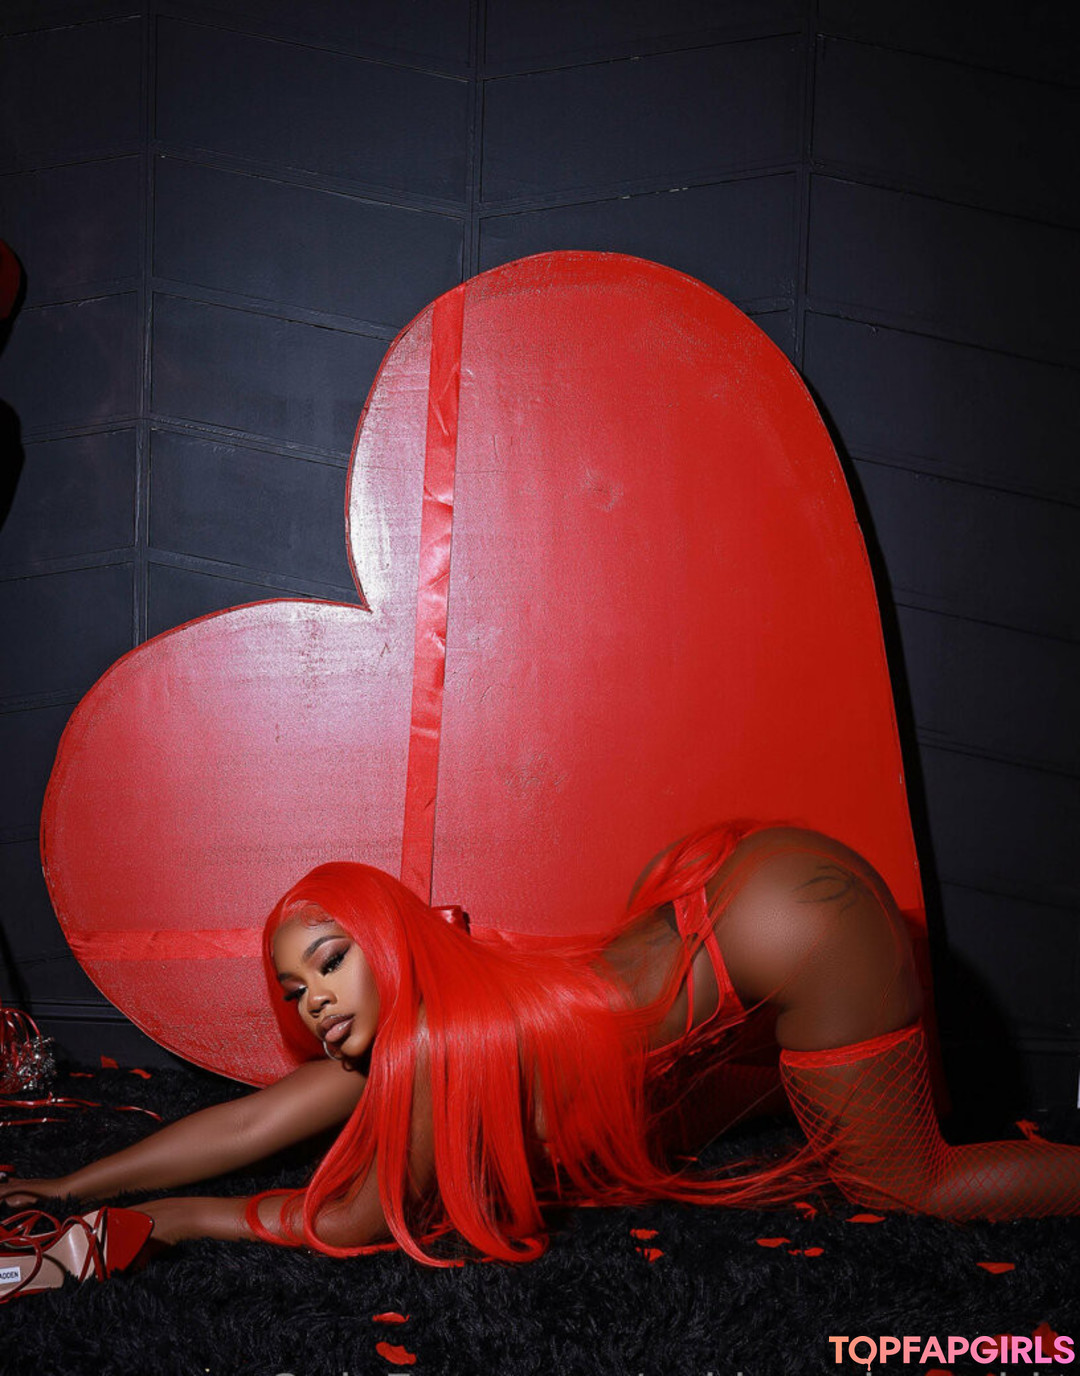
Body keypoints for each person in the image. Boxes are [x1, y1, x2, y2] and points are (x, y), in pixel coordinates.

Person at [1, 822, 1077, 1292]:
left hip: (792, 921)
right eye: (293, 989)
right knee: (697, 1108)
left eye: (329, 961)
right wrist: (72, 1182)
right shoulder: (433, 1020)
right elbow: (245, 1121)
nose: (312, 998)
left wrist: (175, 1221)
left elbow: (344, 1223)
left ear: (388, 942)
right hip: (747, 896)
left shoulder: (441, 1047)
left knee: (902, 1184)